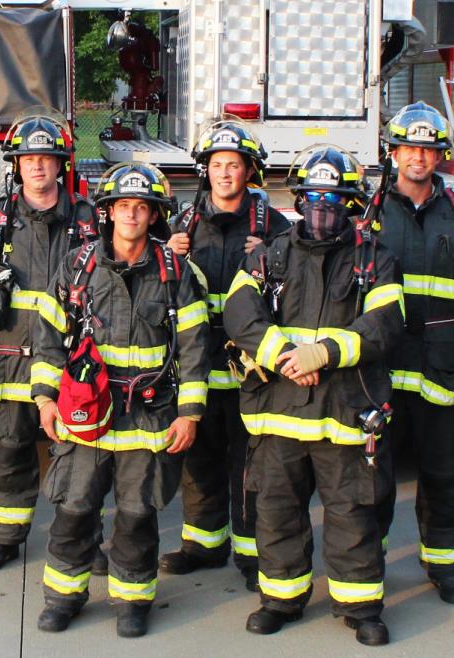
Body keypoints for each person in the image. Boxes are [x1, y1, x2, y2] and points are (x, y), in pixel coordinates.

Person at [223, 146, 405, 647]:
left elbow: (384, 325)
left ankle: (360, 605)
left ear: (352, 204)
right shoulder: (267, 256)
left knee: (352, 513)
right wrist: (287, 355)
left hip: (345, 413)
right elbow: (241, 315)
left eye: (336, 199)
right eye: (315, 198)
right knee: (277, 511)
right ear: (298, 200)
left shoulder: (376, 261)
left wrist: (321, 354)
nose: (324, 208)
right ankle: (280, 599)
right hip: (278, 414)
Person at [27, 162, 211, 638]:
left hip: (148, 418)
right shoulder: (77, 265)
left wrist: (190, 412)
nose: (131, 215)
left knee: (136, 516)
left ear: (154, 215)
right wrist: (46, 398)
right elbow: (47, 335)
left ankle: (132, 601)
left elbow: (193, 347)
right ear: (107, 213)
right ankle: (63, 597)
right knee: (73, 510)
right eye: (122, 206)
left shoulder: (175, 273)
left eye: (141, 207)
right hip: (87, 417)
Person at [366, 102, 454, 605]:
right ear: (394, 153)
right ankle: (368, 563)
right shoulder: (370, 214)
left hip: (443, 368)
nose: (417, 157)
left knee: (443, 473)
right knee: (373, 475)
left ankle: (445, 566)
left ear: (439, 155)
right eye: (409, 148)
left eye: (427, 149)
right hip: (380, 367)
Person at [0, 112, 100, 574]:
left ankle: (84, 544)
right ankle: (2, 539)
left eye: (46, 158)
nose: (37, 167)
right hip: (9, 361)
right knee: (12, 450)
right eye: (27, 159)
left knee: (80, 458)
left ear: (61, 165)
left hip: (71, 362)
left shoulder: (86, 220)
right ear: (16, 166)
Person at [162, 121, 291, 589]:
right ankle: (202, 545)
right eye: (216, 165)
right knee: (200, 460)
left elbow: (295, 290)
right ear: (205, 171)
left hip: (252, 370)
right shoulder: (182, 225)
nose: (224, 174)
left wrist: (276, 255)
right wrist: (168, 253)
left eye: (233, 165)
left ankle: (252, 553)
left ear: (249, 171)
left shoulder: (275, 227)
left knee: (250, 464)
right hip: (199, 365)